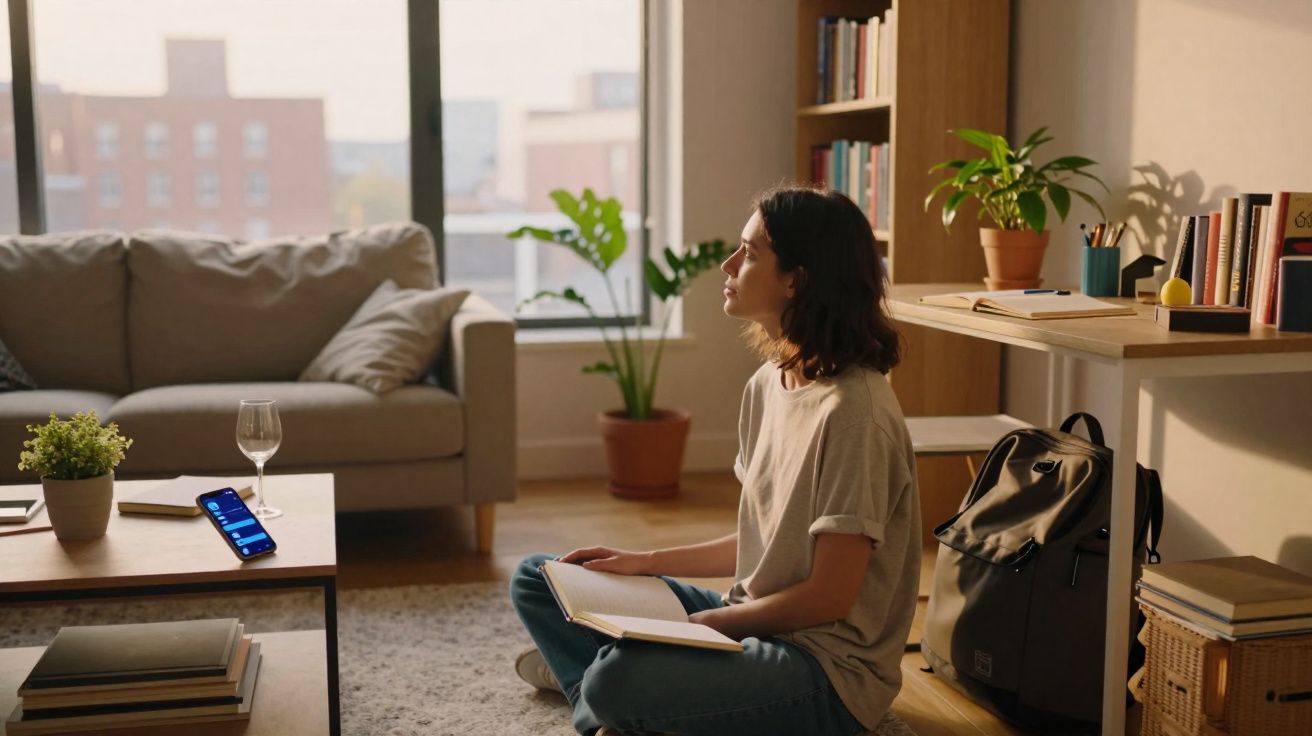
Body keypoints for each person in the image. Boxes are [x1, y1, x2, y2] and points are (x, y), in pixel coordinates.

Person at [509, 185, 921, 736]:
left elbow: (828, 595)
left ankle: (603, 691)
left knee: (617, 680)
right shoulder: (765, 385)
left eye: (750, 253)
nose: (729, 264)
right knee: (540, 576)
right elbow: (762, 540)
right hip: (755, 621)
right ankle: (627, 694)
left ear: (796, 279)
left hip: (824, 672)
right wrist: (643, 560)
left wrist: (708, 626)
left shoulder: (855, 414)